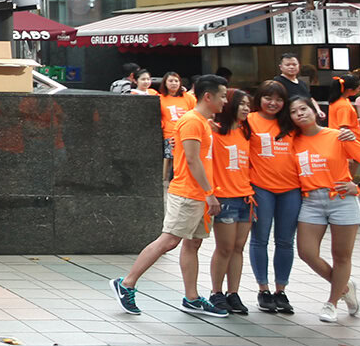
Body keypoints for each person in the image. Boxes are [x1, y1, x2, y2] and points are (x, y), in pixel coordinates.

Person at [111, 74, 229, 318]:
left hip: (198, 195)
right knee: (169, 241)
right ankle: (126, 283)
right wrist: (209, 194)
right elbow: (193, 160)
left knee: (192, 243)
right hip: (188, 193)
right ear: (208, 96)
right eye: (223, 96)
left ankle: (192, 298)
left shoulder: (202, 122)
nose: (225, 101)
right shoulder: (192, 122)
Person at [290, 96, 360, 321]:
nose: (300, 114)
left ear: (315, 110)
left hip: (342, 199)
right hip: (310, 201)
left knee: (341, 255)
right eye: (294, 112)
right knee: (306, 253)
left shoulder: (336, 135)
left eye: (304, 109)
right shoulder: (291, 140)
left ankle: (331, 303)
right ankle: (344, 287)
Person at [247, 80, 299, 314]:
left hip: (291, 189)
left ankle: (281, 291)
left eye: (279, 99)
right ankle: (263, 289)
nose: (273, 103)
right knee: (260, 239)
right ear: (259, 98)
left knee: (286, 241)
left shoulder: (290, 122)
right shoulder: (248, 120)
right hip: (261, 188)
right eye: (269, 98)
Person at [207, 88, 254, 316]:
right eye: (241, 104)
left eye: (248, 104)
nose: (246, 108)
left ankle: (232, 293)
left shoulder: (247, 132)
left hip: (246, 197)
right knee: (224, 247)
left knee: (238, 247)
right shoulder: (215, 132)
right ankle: (216, 292)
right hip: (224, 197)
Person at [158, 72, 195, 182]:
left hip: (188, 133)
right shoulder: (160, 98)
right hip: (170, 134)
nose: (173, 83)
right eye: (170, 81)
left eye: (176, 81)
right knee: (174, 161)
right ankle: (172, 181)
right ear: (165, 83)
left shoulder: (189, 98)